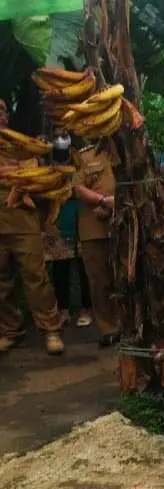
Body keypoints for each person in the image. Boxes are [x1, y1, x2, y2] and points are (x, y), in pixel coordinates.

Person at [0, 101, 65, 355]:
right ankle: (10, 330)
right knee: (1, 282)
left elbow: (38, 172)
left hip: (23, 220)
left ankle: (51, 329)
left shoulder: (23, 145)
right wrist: (12, 173)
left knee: (36, 277)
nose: (0, 117)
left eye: (2, 112)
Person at [43, 126, 92, 329]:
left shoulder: (81, 161)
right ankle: (63, 310)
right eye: (57, 136)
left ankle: (86, 309)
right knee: (60, 270)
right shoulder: (45, 164)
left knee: (84, 268)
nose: (61, 140)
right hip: (57, 222)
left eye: (64, 136)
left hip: (80, 220)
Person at [73, 140, 121, 346]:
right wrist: (103, 200)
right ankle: (108, 328)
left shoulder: (128, 151)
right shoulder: (86, 156)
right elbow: (77, 187)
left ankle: (129, 325)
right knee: (99, 280)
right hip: (94, 227)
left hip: (126, 226)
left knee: (124, 277)